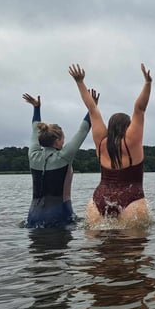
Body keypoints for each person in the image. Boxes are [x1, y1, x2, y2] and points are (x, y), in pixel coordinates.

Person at [69, 63, 152, 227]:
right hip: (131, 198)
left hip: (99, 199)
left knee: (99, 251)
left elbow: (91, 108)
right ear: (128, 127)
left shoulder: (101, 143)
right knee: (132, 252)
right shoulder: (131, 143)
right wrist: (148, 83)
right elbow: (140, 109)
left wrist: (80, 82)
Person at [22, 90, 97, 228]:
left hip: (33, 217)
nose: (64, 141)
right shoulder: (63, 156)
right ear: (57, 141)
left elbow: (34, 129)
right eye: (63, 139)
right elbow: (83, 130)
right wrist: (92, 107)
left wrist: (36, 108)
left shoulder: (33, 155)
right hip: (60, 215)